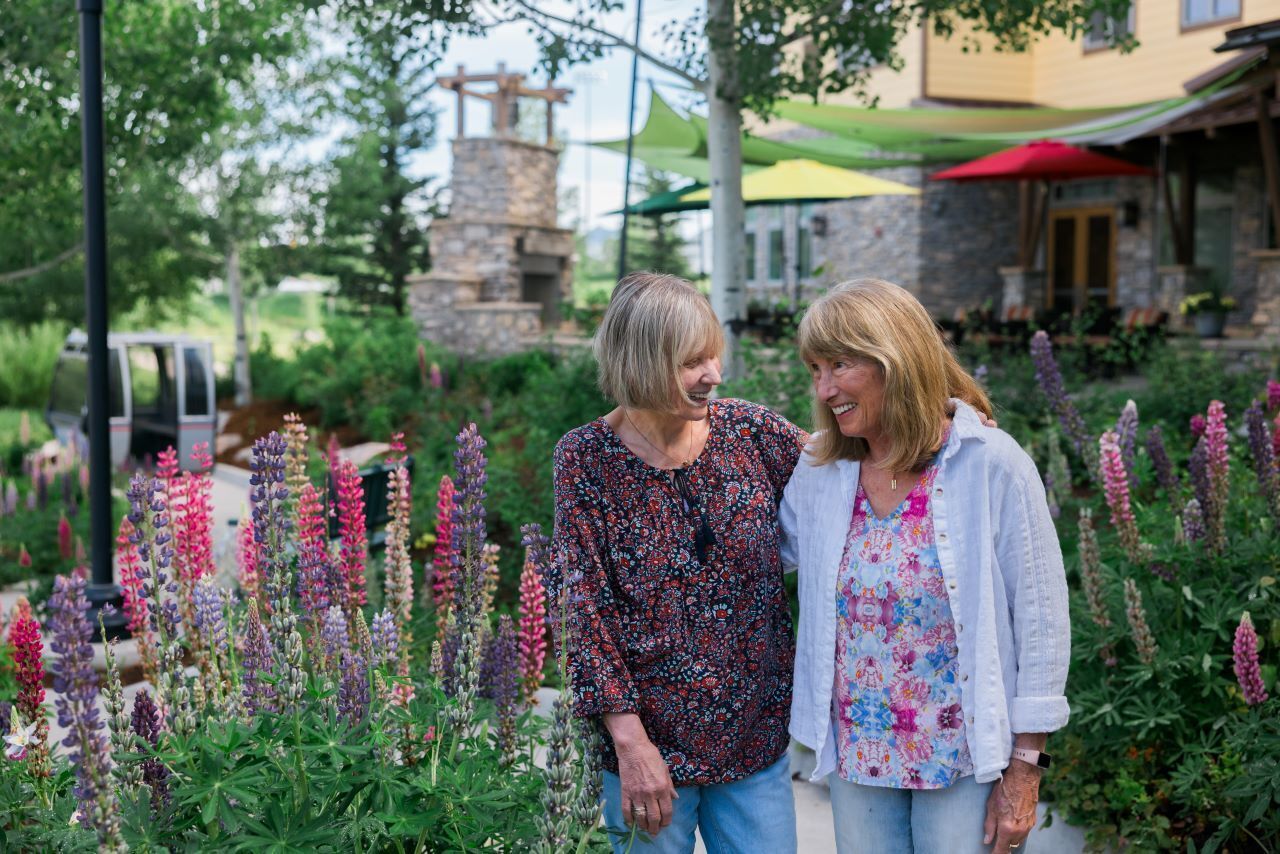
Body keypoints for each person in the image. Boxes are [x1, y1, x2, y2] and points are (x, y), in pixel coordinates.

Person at [780, 279, 1071, 854]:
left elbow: (1041, 620)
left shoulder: (990, 464)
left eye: (840, 364)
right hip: (859, 751)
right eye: (815, 369)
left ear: (896, 358)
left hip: (962, 756)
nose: (825, 387)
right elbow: (756, 557)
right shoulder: (821, 473)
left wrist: (1026, 767)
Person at [549, 272, 804, 853]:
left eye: (713, 355)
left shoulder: (751, 432)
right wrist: (631, 745)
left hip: (755, 741)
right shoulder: (587, 460)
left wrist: (936, 418)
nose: (713, 374)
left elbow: (849, 467)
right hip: (648, 752)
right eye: (693, 362)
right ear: (641, 360)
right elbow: (582, 612)